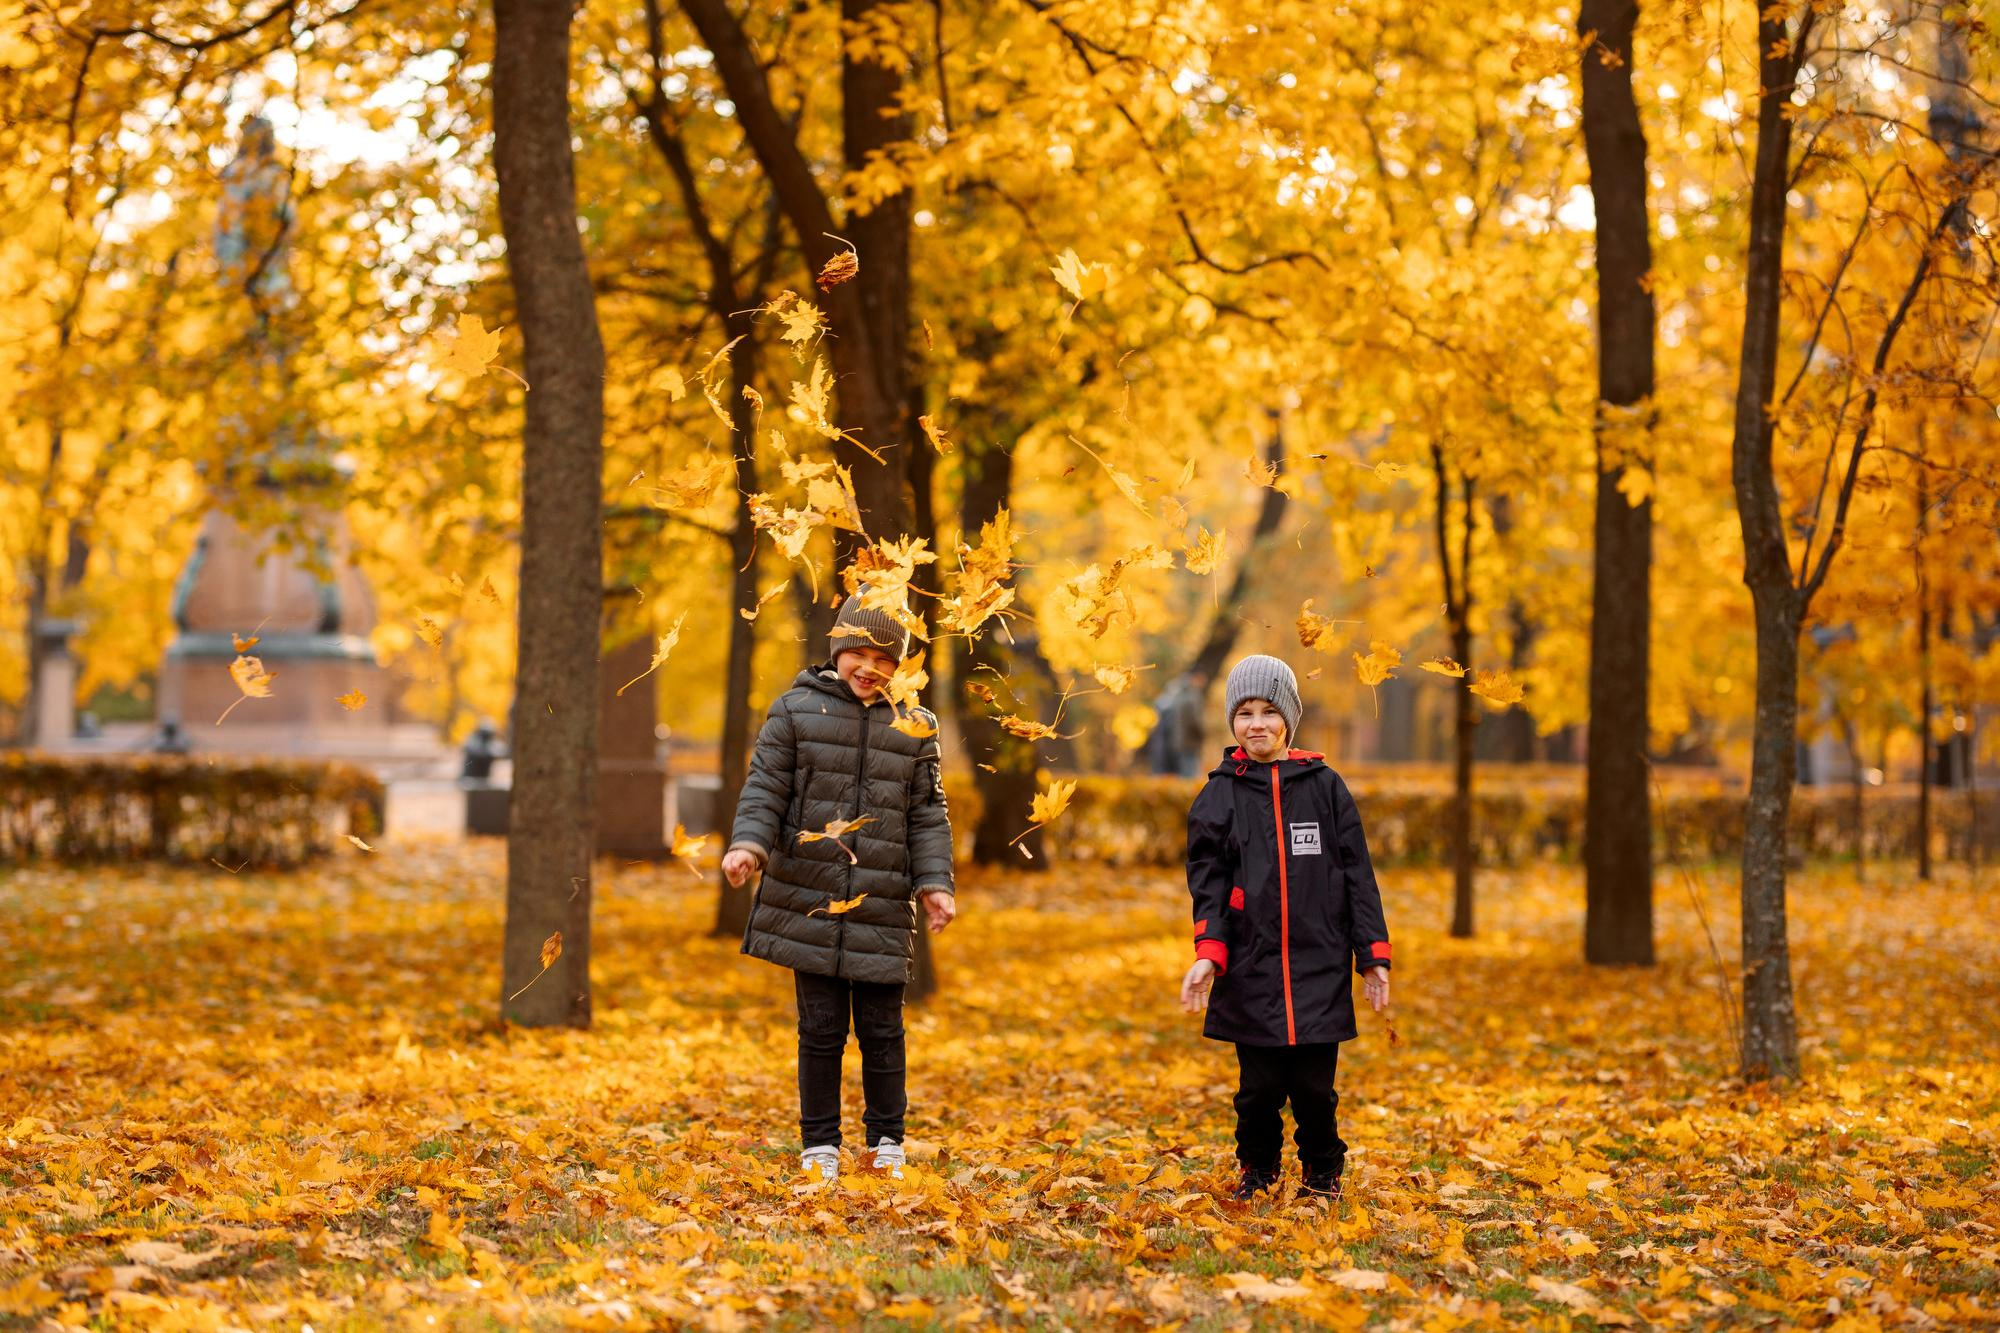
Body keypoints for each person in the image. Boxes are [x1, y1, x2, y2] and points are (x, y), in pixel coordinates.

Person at [721, 592, 956, 1183]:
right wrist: (749, 845)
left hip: (880, 898)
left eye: (884, 657)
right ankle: (820, 1144)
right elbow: (765, 789)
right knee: (821, 1029)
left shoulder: (915, 725)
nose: (870, 667)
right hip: (812, 895)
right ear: (837, 650)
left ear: (899, 666)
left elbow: (927, 813)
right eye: (859, 652)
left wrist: (934, 883)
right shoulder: (795, 710)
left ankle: (886, 1142)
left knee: (883, 1028)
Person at [1177, 654, 1392, 1201]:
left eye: (1269, 711)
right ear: (1232, 722)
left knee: (1315, 1090)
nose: (1257, 724)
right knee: (1259, 1089)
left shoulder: (1325, 788)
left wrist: (1372, 956)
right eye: (1245, 712)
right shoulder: (1218, 795)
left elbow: (1358, 878)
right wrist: (1209, 952)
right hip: (1251, 969)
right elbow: (1208, 885)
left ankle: (1323, 1175)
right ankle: (1258, 1169)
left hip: (1319, 966)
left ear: (1289, 719)